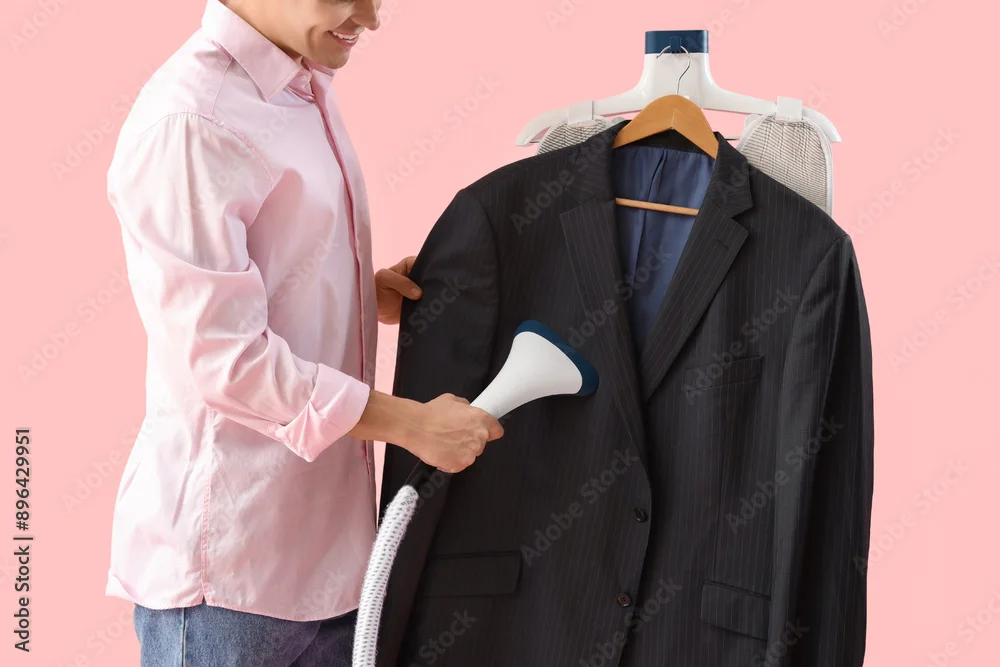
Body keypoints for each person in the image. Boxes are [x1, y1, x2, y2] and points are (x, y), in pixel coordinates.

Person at [104, 0, 503, 664]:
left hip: (331, 565)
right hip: (231, 579)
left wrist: (353, 289)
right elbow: (225, 359)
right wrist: (412, 425)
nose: (370, 17)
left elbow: (256, 275)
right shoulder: (194, 121)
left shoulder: (298, 85)